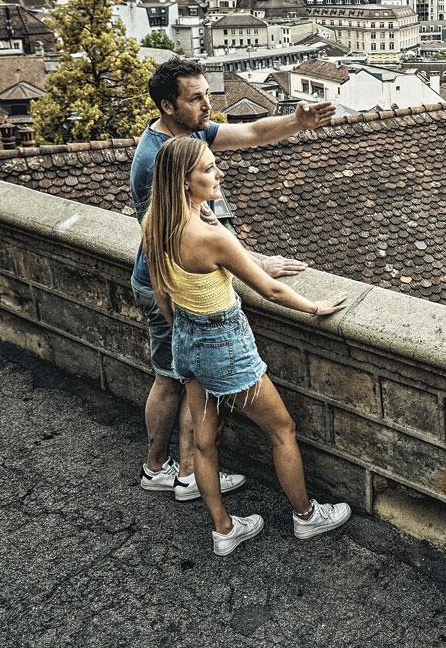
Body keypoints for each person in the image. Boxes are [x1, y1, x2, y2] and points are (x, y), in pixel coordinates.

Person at [130, 57, 334, 502]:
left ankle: (178, 472)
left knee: (182, 376)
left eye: (206, 94)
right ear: (168, 105)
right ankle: (173, 472)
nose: (207, 105)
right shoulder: (156, 159)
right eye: (196, 98)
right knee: (173, 378)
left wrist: (297, 121)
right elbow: (180, 237)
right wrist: (253, 266)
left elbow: (256, 133)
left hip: (175, 283)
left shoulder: (189, 135)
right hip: (169, 283)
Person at [143, 136, 351, 554]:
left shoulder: (156, 221)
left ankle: (224, 530)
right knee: (283, 429)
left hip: (186, 339)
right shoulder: (208, 237)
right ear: (185, 181)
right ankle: (306, 516)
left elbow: (162, 294)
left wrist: (182, 330)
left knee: (204, 440)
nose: (218, 173)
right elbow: (270, 289)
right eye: (208, 169)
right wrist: (313, 306)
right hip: (225, 345)